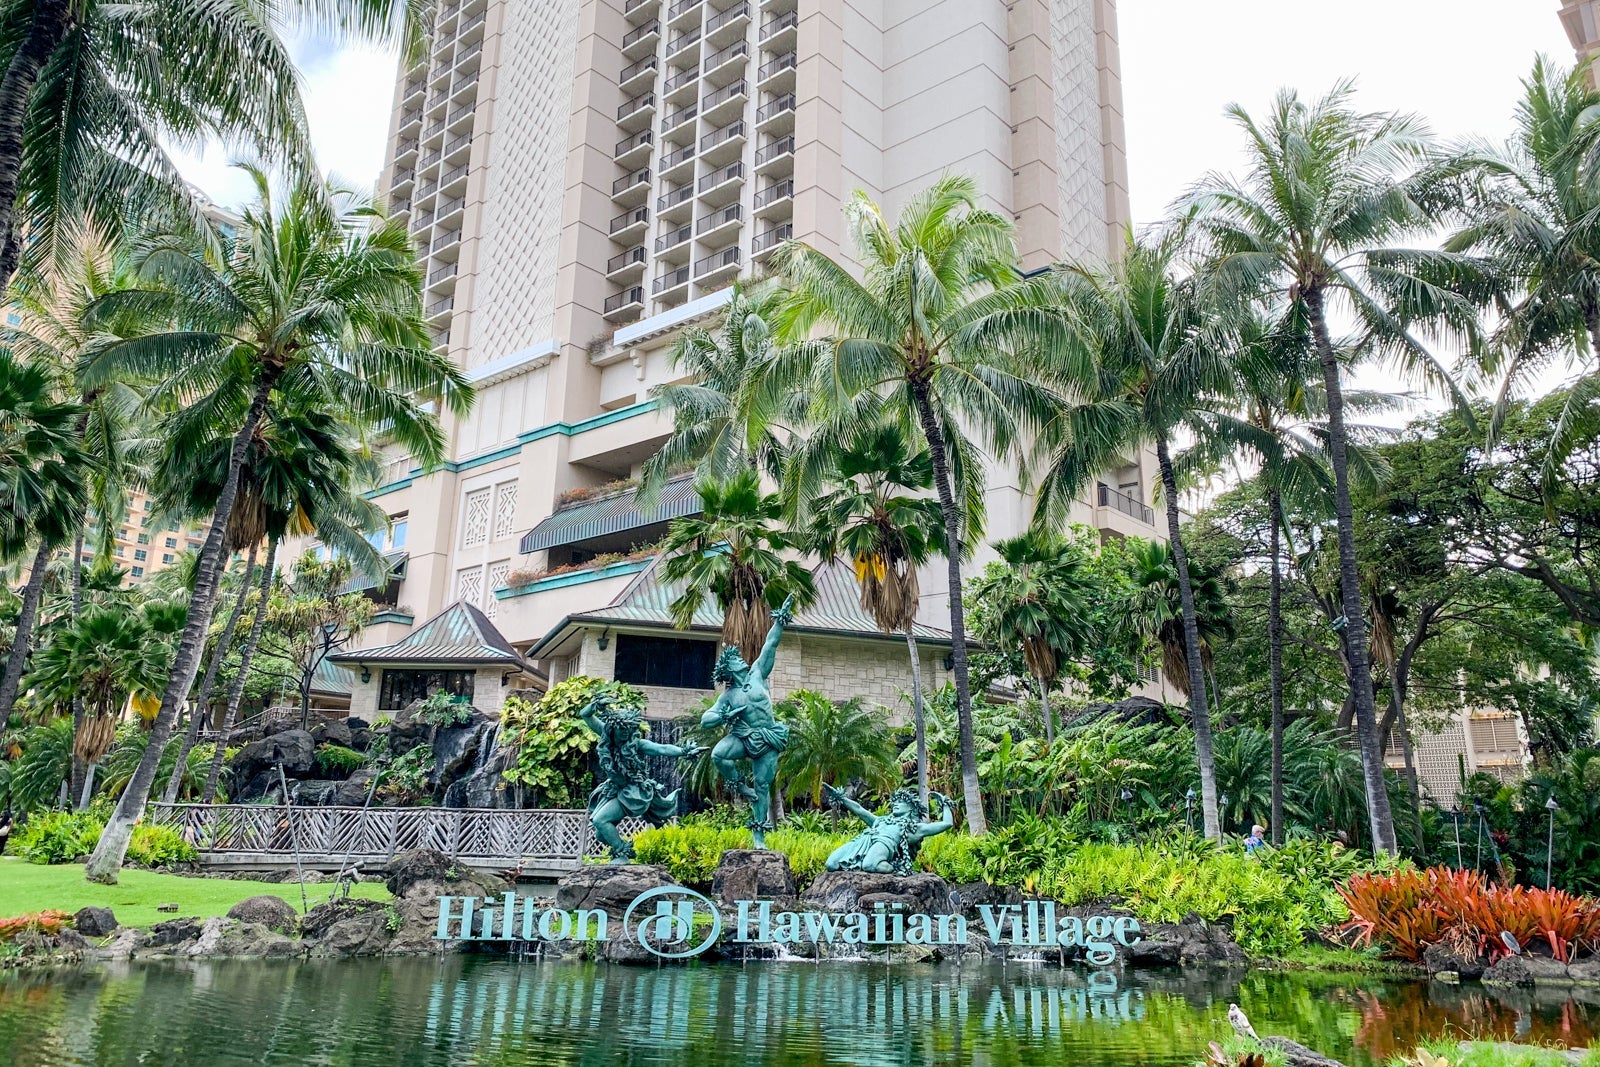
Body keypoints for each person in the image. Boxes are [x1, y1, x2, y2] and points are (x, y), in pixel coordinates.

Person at [700, 596, 794, 847]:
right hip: (743, 736)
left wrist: (780, 622)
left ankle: (758, 835)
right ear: (729, 669)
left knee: (763, 786)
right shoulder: (728, 695)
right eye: (734, 659)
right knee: (718, 754)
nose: (739, 658)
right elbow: (705, 719)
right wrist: (724, 716)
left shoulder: (758, 674)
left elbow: (770, 645)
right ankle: (741, 787)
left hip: (768, 736)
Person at [578, 693, 703, 862]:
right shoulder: (605, 735)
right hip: (613, 789)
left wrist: (683, 751)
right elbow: (585, 715)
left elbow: (662, 748)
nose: (625, 734)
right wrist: (596, 704)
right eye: (622, 730)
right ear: (613, 728)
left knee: (601, 820)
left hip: (632, 791)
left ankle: (623, 853)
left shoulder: (637, 744)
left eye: (629, 730)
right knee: (601, 835)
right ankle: (620, 853)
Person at [822, 785, 958, 875]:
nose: (896, 805)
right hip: (863, 841)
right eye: (895, 802)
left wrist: (945, 804)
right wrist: (841, 797)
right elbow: (859, 809)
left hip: (885, 844)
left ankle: (896, 867)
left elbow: (946, 824)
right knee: (831, 864)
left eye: (901, 802)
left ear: (911, 808)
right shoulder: (880, 820)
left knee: (870, 865)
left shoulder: (913, 828)